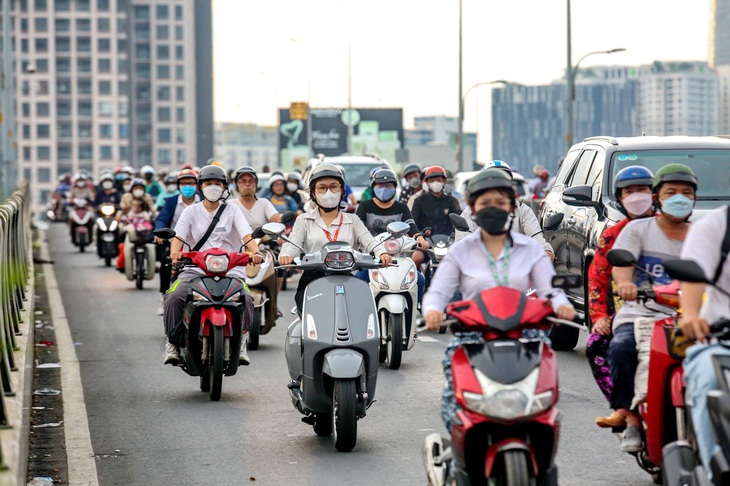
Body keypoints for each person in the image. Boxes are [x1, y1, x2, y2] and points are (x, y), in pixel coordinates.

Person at [422, 168, 575, 434]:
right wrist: (433, 310)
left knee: (545, 398)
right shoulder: (461, 251)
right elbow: (438, 291)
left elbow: (550, 287)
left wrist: (562, 305)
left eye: (500, 202)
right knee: (453, 403)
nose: (493, 208)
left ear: (512, 206)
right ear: (473, 207)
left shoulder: (530, 250)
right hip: (473, 334)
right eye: (485, 203)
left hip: (524, 333)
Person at [608, 163, 697, 453]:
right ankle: (631, 418)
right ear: (658, 197)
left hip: (691, 316)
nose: (679, 198)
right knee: (621, 349)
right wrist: (626, 285)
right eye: (671, 192)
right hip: (641, 314)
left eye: (686, 192)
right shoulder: (638, 229)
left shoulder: (703, 235)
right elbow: (620, 267)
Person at [163, 165, 263, 366]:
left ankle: (242, 341)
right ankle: (172, 344)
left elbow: (246, 235)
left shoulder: (233, 210)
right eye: (208, 183)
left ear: (225, 187)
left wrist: (256, 252)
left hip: (231, 270)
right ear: (201, 186)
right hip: (195, 269)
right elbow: (179, 236)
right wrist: (175, 252)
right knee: (174, 297)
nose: (213, 187)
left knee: (247, 298)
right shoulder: (191, 211)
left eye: (217, 183)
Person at [586, 166, 655, 428]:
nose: (636, 196)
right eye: (629, 191)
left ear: (654, 194)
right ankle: (623, 409)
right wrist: (600, 316)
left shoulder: (676, 228)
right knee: (599, 345)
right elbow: (597, 278)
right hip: (629, 312)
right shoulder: (613, 235)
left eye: (642, 190)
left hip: (676, 310)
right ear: (620, 197)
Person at [277, 164, 392, 314]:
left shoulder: (353, 220)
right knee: (313, 315)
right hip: (312, 280)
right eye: (322, 188)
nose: (328, 193)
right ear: (313, 193)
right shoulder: (303, 220)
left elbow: (369, 241)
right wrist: (285, 256)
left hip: (347, 279)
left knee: (363, 313)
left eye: (334, 187)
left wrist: (382, 253)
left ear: (342, 190)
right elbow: (293, 244)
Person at [679, 204, 730, 474]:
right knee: (708, 377)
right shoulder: (715, 226)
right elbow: (693, 276)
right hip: (722, 341)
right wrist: (689, 314)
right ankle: (715, 472)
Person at [455, 161, 555, 261]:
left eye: (502, 181)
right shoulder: (470, 211)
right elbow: (462, 243)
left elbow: (536, 237)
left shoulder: (522, 209)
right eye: (492, 181)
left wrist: (545, 251)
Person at [355, 168, 429, 302]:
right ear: (373, 187)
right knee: (358, 280)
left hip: (397, 258)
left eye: (388, 185)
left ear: (395, 188)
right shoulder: (365, 206)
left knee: (419, 280)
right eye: (380, 185)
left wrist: (420, 238)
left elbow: (411, 226)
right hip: (372, 258)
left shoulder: (401, 208)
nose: (384, 189)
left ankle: (413, 313)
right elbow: (357, 229)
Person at [153, 169, 201, 315]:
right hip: (176, 243)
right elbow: (162, 219)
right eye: (184, 183)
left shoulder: (204, 201)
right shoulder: (171, 202)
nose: (188, 186)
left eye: (191, 183)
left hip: (200, 244)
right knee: (166, 263)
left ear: (197, 185)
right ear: (179, 185)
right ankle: (164, 296)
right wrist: (160, 231)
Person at [411, 165, 462, 237]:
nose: (435, 183)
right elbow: (413, 222)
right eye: (432, 181)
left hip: (448, 241)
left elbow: (460, 221)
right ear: (427, 182)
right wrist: (419, 235)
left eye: (438, 180)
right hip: (425, 242)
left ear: (444, 181)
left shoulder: (451, 201)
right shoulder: (419, 201)